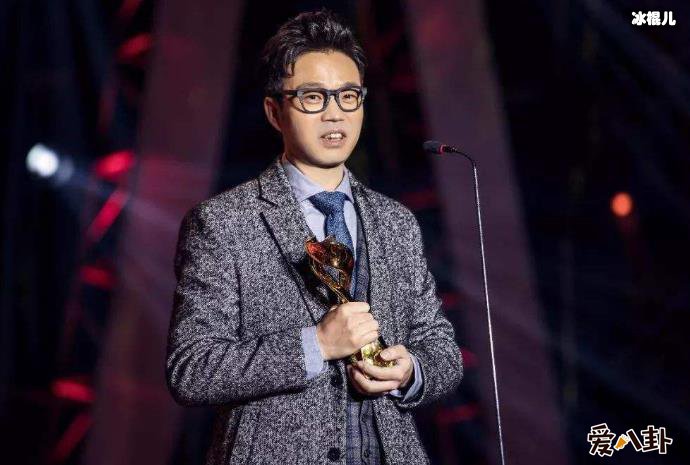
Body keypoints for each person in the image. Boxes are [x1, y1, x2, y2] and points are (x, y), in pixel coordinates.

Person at [166, 9, 463, 465]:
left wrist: (411, 371)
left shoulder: (396, 222)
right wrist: (316, 344)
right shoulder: (223, 222)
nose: (334, 113)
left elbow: (442, 349)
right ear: (275, 111)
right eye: (312, 97)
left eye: (348, 95)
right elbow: (192, 369)